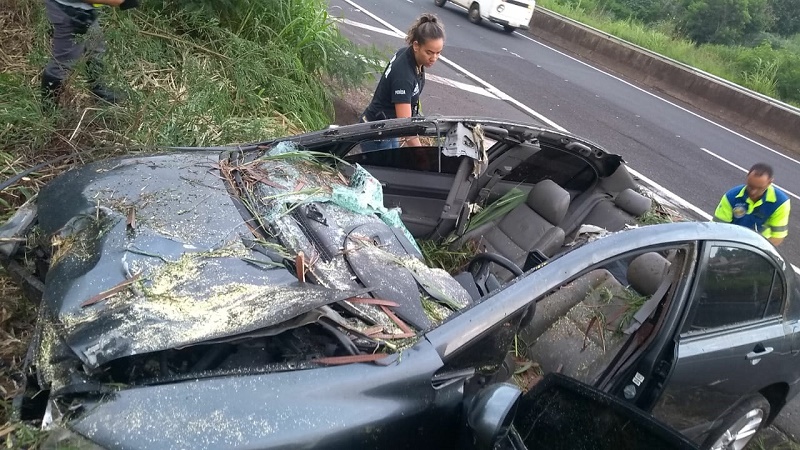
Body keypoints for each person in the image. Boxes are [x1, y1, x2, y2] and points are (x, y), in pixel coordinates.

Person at [361, 13, 445, 149]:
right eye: (429, 52)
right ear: (416, 45)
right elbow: (405, 127)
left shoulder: (411, 57)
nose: (434, 58)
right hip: (377, 135)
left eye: (438, 53)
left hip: (388, 128)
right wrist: (422, 155)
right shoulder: (404, 76)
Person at [41, 0, 139, 107]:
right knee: (64, 60)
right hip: (68, 10)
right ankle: (48, 108)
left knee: (96, 48)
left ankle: (100, 91)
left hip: (83, 9)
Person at [714, 162, 791, 246]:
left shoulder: (780, 202)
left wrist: (754, 251)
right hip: (730, 242)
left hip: (759, 247)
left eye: (759, 188)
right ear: (747, 177)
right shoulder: (731, 196)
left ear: (770, 182)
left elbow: (777, 237)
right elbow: (718, 227)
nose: (753, 192)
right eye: (750, 186)